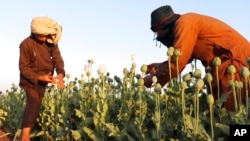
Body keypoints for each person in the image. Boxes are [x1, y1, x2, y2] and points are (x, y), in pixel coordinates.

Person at [143, 5, 250, 112]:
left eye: (158, 33)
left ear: (165, 26)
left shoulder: (185, 23)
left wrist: (155, 78)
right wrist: (159, 66)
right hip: (224, 67)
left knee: (231, 114)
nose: (157, 36)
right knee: (219, 112)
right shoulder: (185, 23)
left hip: (236, 64)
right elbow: (184, 57)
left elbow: (178, 62)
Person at [18, 16, 65, 141]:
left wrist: (60, 75)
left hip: (44, 80)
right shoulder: (26, 44)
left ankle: (23, 135)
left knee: (36, 104)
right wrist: (39, 77)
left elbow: (57, 59)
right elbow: (23, 68)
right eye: (41, 36)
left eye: (46, 35)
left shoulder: (50, 42)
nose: (44, 38)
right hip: (30, 79)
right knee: (33, 102)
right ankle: (25, 137)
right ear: (34, 33)